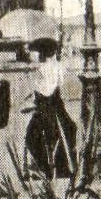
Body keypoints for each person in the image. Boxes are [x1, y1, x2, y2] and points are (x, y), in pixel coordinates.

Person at [22, 37, 77, 182]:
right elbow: (57, 87)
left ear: (42, 54)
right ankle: (61, 169)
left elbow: (45, 91)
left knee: (33, 137)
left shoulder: (43, 69)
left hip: (46, 109)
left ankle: (43, 168)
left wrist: (34, 89)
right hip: (57, 107)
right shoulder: (57, 67)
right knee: (64, 132)